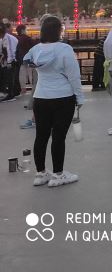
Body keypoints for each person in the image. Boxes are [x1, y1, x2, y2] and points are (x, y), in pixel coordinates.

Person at [23, 16, 84, 187]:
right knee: (58, 137)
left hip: (41, 97)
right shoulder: (64, 49)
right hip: (63, 97)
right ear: (59, 31)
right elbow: (74, 76)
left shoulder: (36, 49)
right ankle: (58, 174)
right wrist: (79, 97)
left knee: (41, 136)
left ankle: (40, 173)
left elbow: (26, 60)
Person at [16, 24, 38, 128]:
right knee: (33, 80)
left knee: (23, 75)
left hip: (22, 61)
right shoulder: (28, 39)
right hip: (31, 62)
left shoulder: (17, 39)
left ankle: (23, 89)